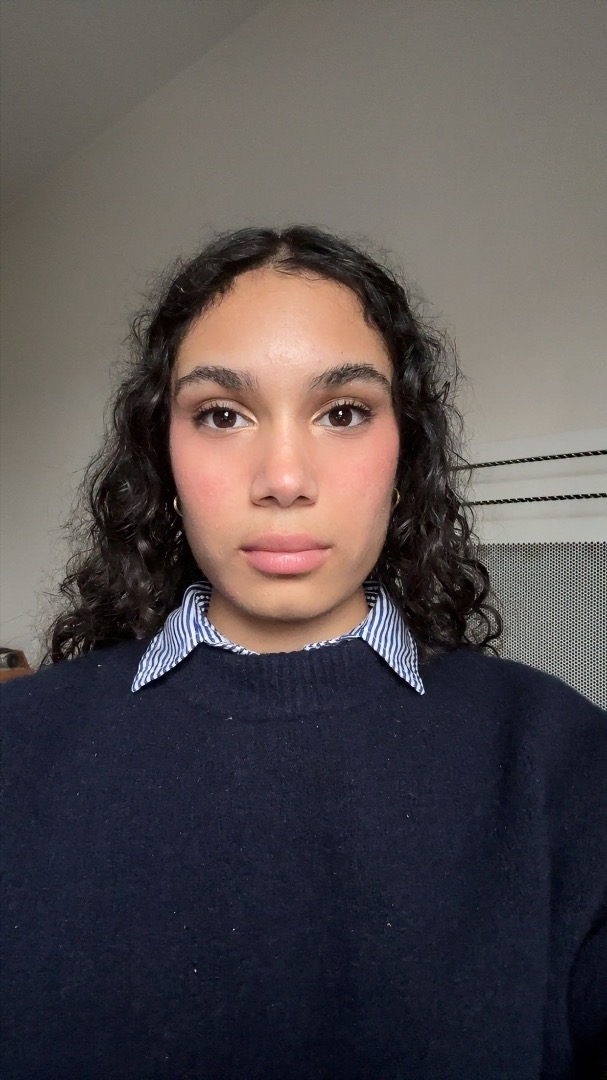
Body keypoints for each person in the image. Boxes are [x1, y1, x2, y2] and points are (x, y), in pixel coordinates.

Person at [1, 225, 605, 1080]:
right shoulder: (16, 745)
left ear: (405, 451)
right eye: (221, 415)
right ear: (162, 452)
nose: (284, 479)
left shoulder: (562, 760)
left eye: (343, 412)